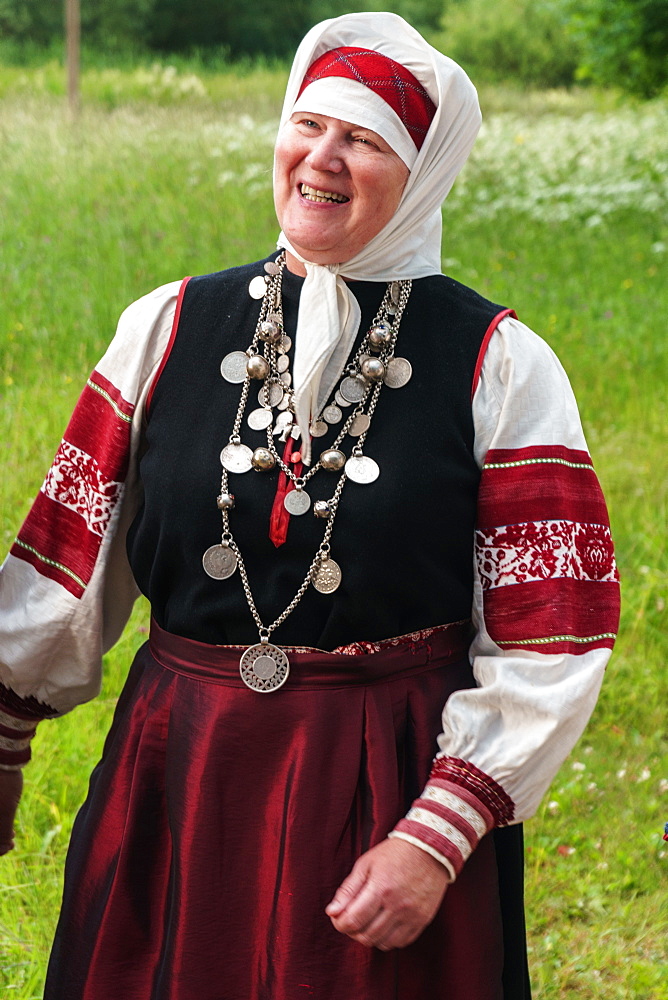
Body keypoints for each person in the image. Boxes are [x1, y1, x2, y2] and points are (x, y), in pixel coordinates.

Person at [0, 12, 620, 1000]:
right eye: (307, 124)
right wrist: (5, 725)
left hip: (383, 781)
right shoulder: (165, 325)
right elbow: (68, 556)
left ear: (418, 171)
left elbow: (553, 629)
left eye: (363, 138)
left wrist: (437, 833)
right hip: (183, 771)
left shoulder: (500, 365)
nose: (320, 157)